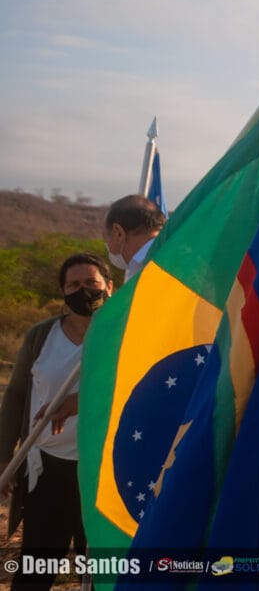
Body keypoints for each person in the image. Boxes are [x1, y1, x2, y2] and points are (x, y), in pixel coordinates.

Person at [0, 252, 114, 590]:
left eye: (91, 284)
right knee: (36, 567)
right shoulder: (41, 336)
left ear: (109, 286)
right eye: (73, 284)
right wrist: (5, 456)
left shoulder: (122, 334)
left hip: (101, 469)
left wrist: (78, 402)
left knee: (96, 571)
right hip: (47, 468)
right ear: (63, 292)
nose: (83, 291)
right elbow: (17, 394)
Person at [103, 194, 165, 281]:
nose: (107, 246)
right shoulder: (175, 253)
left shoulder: (147, 267)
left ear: (118, 233)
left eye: (106, 239)